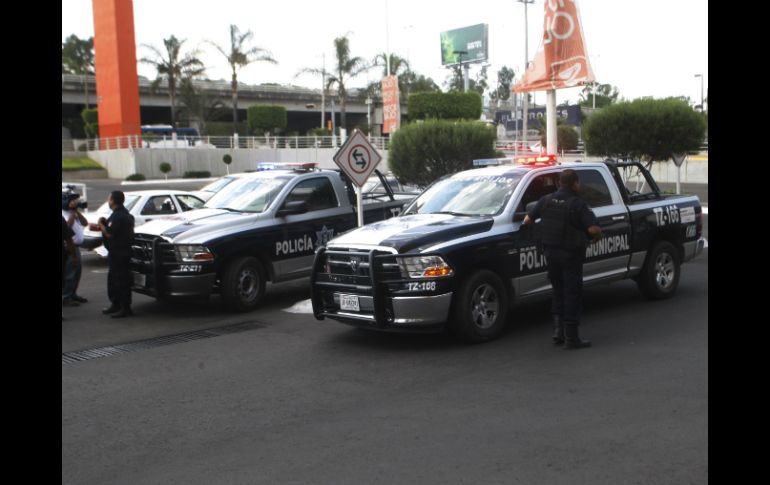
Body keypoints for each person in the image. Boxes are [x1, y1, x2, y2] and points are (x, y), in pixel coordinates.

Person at [523, 169, 602, 349]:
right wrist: (599, 234)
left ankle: (558, 333)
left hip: (551, 253)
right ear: (575, 183)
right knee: (572, 293)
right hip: (570, 255)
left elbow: (528, 220)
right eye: (578, 183)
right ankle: (572, 338)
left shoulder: (545, 200)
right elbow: (592, 230)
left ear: (559, 183)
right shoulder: (578, 204)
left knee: (558, 291)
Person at [98, 191, 135, 318]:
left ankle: (125, 307)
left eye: (109, 199)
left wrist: (101, 225)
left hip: (120, 253)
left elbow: (109, 233)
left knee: (121, 280)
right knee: (113, 279)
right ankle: (116, 304)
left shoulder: (119, 216)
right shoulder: (119, 214)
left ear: (113, 201)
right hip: (117, 253)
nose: (108, 201)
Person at [62, 192, 89, 306]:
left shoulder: (73, 212)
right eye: (73, 201)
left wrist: (77, 211)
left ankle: (73, 293)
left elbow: (85, 223)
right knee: (70, 273)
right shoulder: (64, 213)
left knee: (77, 272)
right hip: (69, 247)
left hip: (76, 247)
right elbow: (66, 229)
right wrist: (72, 213)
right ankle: (66, 297)